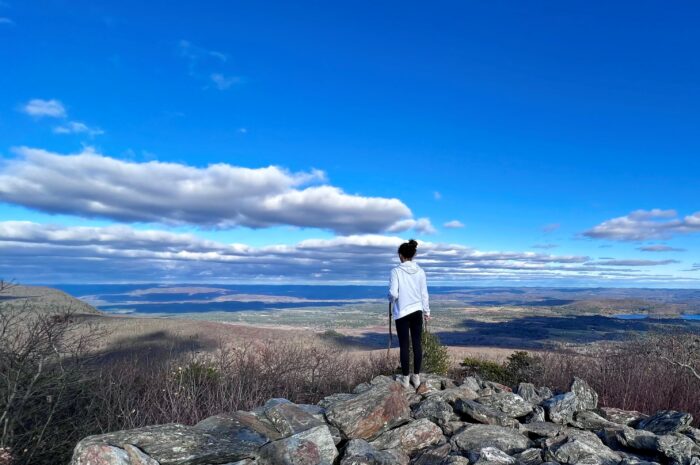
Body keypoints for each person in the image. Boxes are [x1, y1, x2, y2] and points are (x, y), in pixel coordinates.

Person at [388, 239, 430, 388]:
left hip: (402, 313)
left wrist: (390, 298)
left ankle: (405, 380)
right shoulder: (420, 271)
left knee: (404, 345)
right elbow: (424, 294)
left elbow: (393, 293)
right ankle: (416, 377)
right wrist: (427, 312)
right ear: (413, 255)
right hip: (417, 311)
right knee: (417, 344)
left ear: (400, 255)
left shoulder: (396, 271)